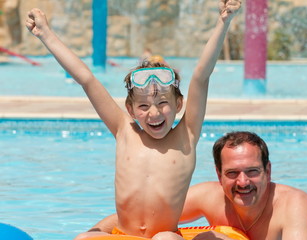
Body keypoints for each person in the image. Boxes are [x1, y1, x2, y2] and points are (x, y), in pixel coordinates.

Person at [25, 1, 241, 239]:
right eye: (144, 106)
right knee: (83, 239)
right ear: (130, 109)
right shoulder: (124, 131)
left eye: (163, 103)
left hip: (166, 236)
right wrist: (45, 34)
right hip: (122, 235)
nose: (154, 113)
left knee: (164, 238)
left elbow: (201, 76)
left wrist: (223, 22)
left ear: (179, 104)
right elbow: (86, 79)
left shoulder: (186, 136)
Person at [86, 131, 307, 240]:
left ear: (268, 171)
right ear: (219, 175)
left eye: (252, 172)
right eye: (232, 173)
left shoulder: (294, 207)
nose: (243, 182)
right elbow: (142, 216)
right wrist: (95, 231)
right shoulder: (210, 196)